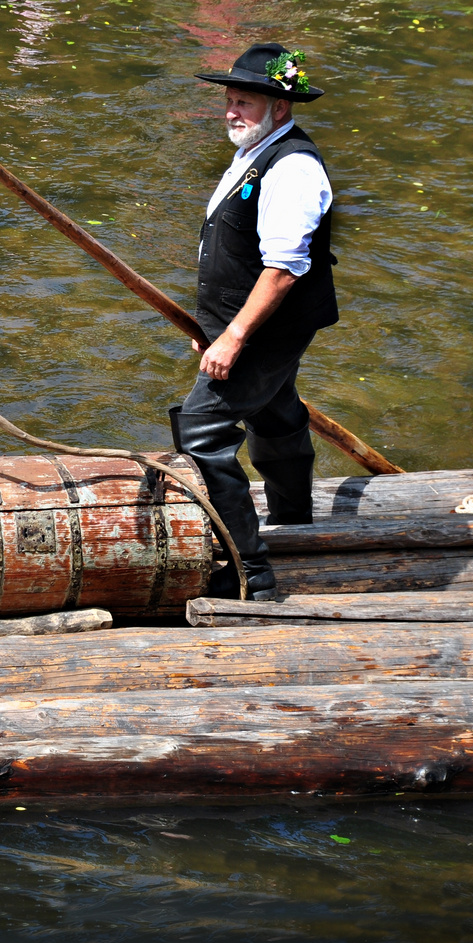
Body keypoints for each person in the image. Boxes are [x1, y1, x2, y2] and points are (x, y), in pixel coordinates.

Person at [170, 42, 339, 601]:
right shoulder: (254, 151)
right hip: (251, 325)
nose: (231, 111)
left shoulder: (291, 167)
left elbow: (284, 270)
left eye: (243, 102)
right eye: (229, 100)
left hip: (267, 327)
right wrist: (215, 325)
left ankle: (250, 572)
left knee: (202, 429)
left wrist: (234, 336)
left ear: (280, 109)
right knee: (273, 409)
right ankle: (293, 518)